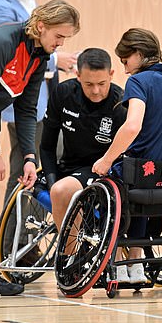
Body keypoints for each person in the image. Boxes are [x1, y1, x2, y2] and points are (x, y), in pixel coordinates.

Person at [0, 0, 80, 296]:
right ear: (41, 26)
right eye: (59, 36)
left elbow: (27, 109)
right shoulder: (2, 42)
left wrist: (29, 156)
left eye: (65, 38)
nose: (61, 43)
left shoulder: (38, 55)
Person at [92, 28, 162, 284]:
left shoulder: (138, 82)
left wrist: (106, 160)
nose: (125, 69)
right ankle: (137, 264)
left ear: (139, 54)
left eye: (126, 60)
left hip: (142, 172)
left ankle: (119, 263)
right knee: (139, 183)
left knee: (110, 185)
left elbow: (132, 126)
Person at [0, 0, 78, 202]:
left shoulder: (29, 3)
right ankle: (12, 241)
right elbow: (13, 59)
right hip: (8, 102)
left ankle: (25, 239)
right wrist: (56, 59)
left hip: (33, 101)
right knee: (23, 175)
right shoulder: (0, 8)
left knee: (34, 168)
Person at [41, 48, 126, 234]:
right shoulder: (63, 93)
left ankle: (68, 259)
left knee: (61, 191)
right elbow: (47, 146)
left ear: (111, 74)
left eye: (102, 83)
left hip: (102, 170)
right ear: (78, 75)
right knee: (51, 189)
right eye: (89, 84)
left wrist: (57, 189)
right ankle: (71, 257)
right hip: (69, 167)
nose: (96, 91)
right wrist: (51, 181)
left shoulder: (121, 104)